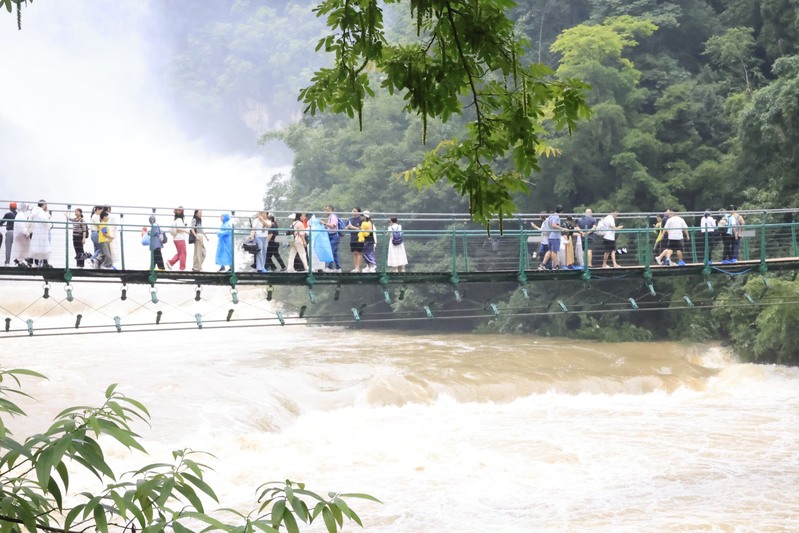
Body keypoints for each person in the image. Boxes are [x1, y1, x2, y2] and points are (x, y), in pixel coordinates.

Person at [29, 200, 52, 268]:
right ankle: (45, 262)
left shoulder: (35, 212)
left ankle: (33, 261)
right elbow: (46, 222)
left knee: (36, 247)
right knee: (44, 247)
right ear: (44, 205)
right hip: (42, 232)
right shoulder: (42, 213)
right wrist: (50, 224)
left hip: (36, 232)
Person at [541, 205, 563, 270]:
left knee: (550, 251)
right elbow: (554, 225)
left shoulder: (551, 216)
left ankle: (543, 264)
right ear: (561, 212)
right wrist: (562, 228)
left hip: (550, 236)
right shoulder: (556, 217)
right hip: (555, 236)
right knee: (554, 251)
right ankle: (556, 266)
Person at [322, 205, 343, 272]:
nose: (325, 211)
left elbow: (333, 226)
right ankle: (338, 267)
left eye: (327, 210)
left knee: (330, 250)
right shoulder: (329, 217)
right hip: (330, 235)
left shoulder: (333, 217)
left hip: (334, 235)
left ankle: (330, 267)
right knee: (334, 252)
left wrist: (324, 223)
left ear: (331, 210)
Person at [347, 208, 364, 272]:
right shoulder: (350, 219)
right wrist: (347, 227)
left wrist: (352, 227)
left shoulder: (361, 219)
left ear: (358, 212)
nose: (353, 212)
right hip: (352, 238)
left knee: (359, 252)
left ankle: (358, 268)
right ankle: (355, 267)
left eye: (355, 211)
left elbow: (361, 229)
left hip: (359, 238)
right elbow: (346, 227)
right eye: (352, 210)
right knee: (354, 253)